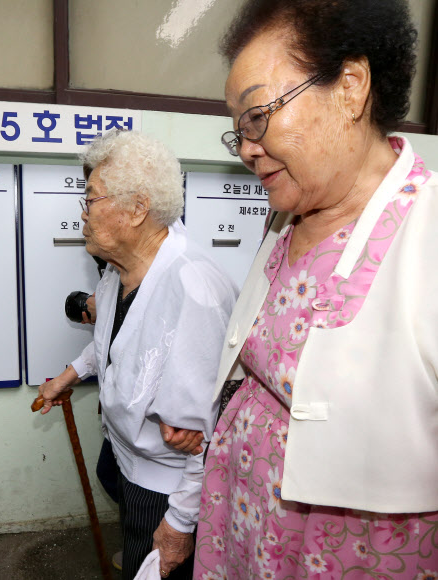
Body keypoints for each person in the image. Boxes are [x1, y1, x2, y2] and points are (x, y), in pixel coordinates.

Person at [191, 0, 438, 578]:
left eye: (257, 116)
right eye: (238, 132)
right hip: (241, 535)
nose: (248, 147)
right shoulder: (285, 221)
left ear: (350, 87)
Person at [37, 130, 238, 579]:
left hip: (169, 493)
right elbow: (114, 344)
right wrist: (68, 376)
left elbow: (206, 438)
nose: (83, 215)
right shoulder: (118, 273)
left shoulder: (193, 288)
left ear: (137, 208)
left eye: (90, 200)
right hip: (131, 467)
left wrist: (179, 525)